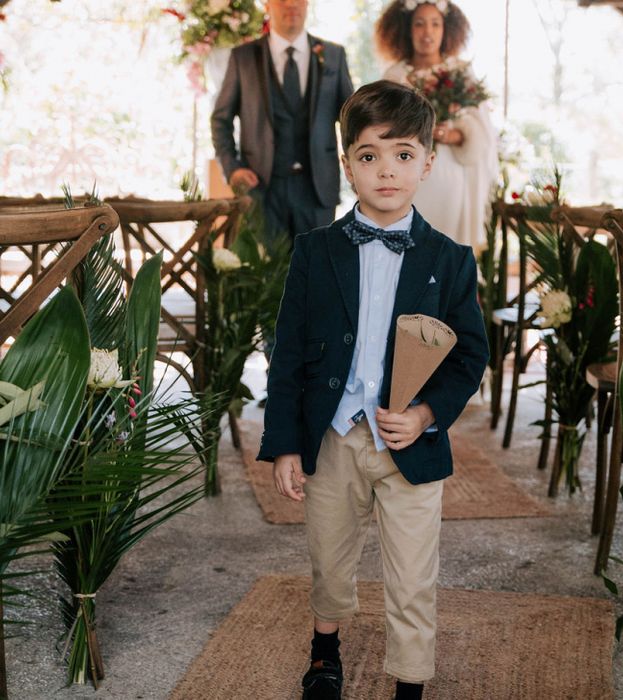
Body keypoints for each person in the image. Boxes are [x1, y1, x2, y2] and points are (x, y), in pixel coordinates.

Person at [256, 81, 488, 700]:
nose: (387, 170)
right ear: (347, 164)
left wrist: (428, 414)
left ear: (428, 163)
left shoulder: (452, 258)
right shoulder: (314, 252)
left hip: (409, 440)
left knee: (413, 574)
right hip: (333, 436)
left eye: (404, 155)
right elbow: (286, 355)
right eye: (369, 156)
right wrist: (283, 444)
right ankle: (324, 649)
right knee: (329, 556)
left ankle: (409, 681)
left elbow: (470, 354)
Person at [211, 0, 354, 241]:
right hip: (262, 188)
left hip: (318, 188)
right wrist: (232, 168)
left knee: (316, 273)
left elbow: (352, 118)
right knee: (264, 275)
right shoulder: (242, 57)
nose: (291, 5)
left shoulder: (333, 55)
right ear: (267, 5)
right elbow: (220, 120)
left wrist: (360, 166)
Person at [375, 0, 498, 252]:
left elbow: (480, 131)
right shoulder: (394, 76)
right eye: (419, 24)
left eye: (435, 24)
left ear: (446, 29)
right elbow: (379, 129)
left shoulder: (460, 73)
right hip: (407, 178)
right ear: (407, 29)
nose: (427, 32)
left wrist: (453, 134)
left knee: (446, 249)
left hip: (450, 175)